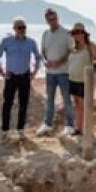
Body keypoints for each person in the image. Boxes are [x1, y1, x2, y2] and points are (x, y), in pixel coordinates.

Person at [0, 17, 41, 140]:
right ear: (14, 29)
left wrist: (35, 72)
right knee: (7, 103)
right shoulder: (6, 41)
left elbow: (38, 56)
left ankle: (20, 130)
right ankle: (5, 130)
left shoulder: (31, 42)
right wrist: (0, 72)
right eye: (19, 27)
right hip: (11, 76)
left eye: (24, 27)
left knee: (23, 104)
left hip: (25, 76)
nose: (22, 29)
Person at [38, 8, 75, 136]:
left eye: (55, 18)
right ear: (47, 20)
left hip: (64, 72)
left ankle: (70, 125)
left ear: (58, 18)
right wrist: (44, 61)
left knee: (66, 100)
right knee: (49, 99)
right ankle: (48, 124)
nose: (53, 21)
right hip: (49, 73)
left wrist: (59, 61)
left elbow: (71, 50)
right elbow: (42, 52)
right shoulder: (45, 34)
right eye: (50, 19)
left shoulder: (66, 33)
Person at [68, 22, 96, 134]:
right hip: (72, 80)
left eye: (78, 32)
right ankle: (78, 128)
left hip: (85, 80)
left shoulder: (90, 46)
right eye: (74, 33)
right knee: (77, 104)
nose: (76, 35)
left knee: (84, 105)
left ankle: (85, 129)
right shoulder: (73, 47)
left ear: (84, 34)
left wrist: (94, 67)